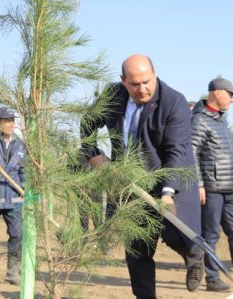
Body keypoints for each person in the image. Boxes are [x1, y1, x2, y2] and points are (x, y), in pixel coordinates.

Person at [80, 54, 204, 298]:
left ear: (154, 74)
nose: (142, 89)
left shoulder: (173, 101)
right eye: (134, 84)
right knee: (137, 251)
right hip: (131, 185)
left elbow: (176, 152)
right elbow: (86, 125)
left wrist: (167, 194)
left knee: (176, 233)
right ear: (123, 81)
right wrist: (93, 154)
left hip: (169, 178)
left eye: (147, 81)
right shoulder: (113, 96)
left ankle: (194, 256)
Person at [190, 77, 233, 292]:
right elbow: (192, 153)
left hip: (228, 188)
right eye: (231, 94)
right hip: (211, 189)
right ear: (217, 92)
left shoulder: (220, 119)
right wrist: (199, 184)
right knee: (211, 236)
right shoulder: (199, 119)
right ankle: (212, 278)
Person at [0, 106, 25, 286]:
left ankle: (12, 273)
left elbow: (24, 170)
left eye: (12, 121)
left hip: (14, 198)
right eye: (6, 121)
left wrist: (26, 189)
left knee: (17, 235)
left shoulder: (19, 143)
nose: (10, 124)